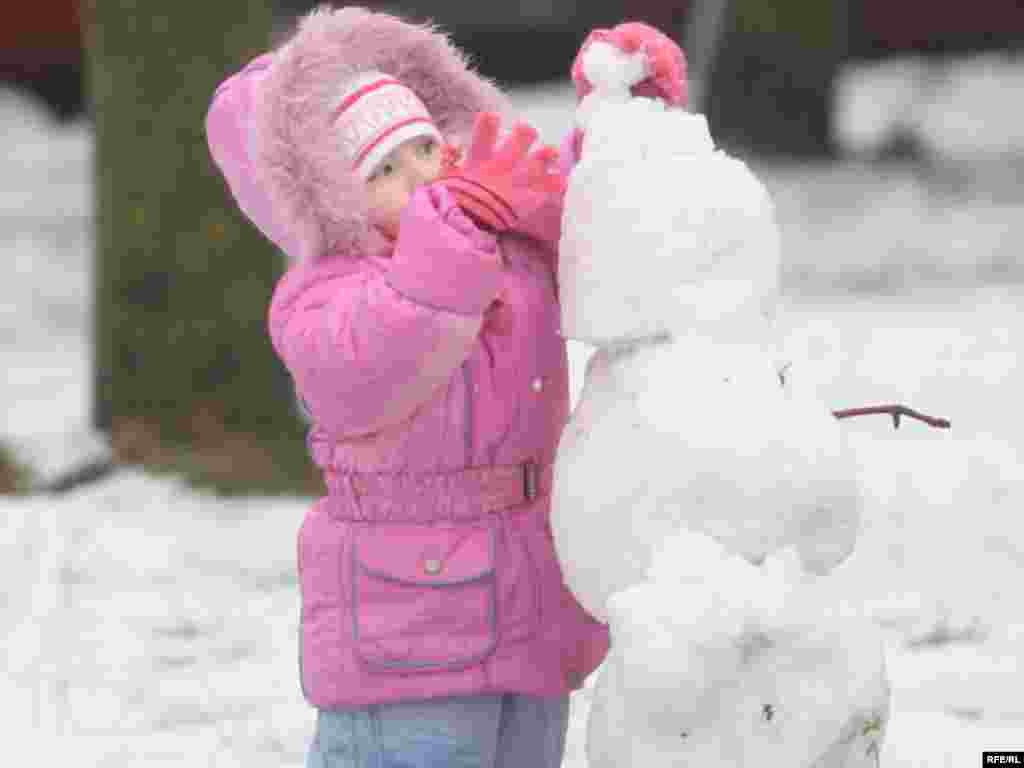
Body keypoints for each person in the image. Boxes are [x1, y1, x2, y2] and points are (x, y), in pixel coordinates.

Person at [205, 6, 686, 767]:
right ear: (332, 198)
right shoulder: (324, 298)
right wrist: (456, 223)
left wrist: (623, 116)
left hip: (529, 612)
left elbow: (584, 219)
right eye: (385, 172)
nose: (422, 177)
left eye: (426, 148)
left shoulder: (496, 243)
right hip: (409, 641)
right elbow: (403, 335)